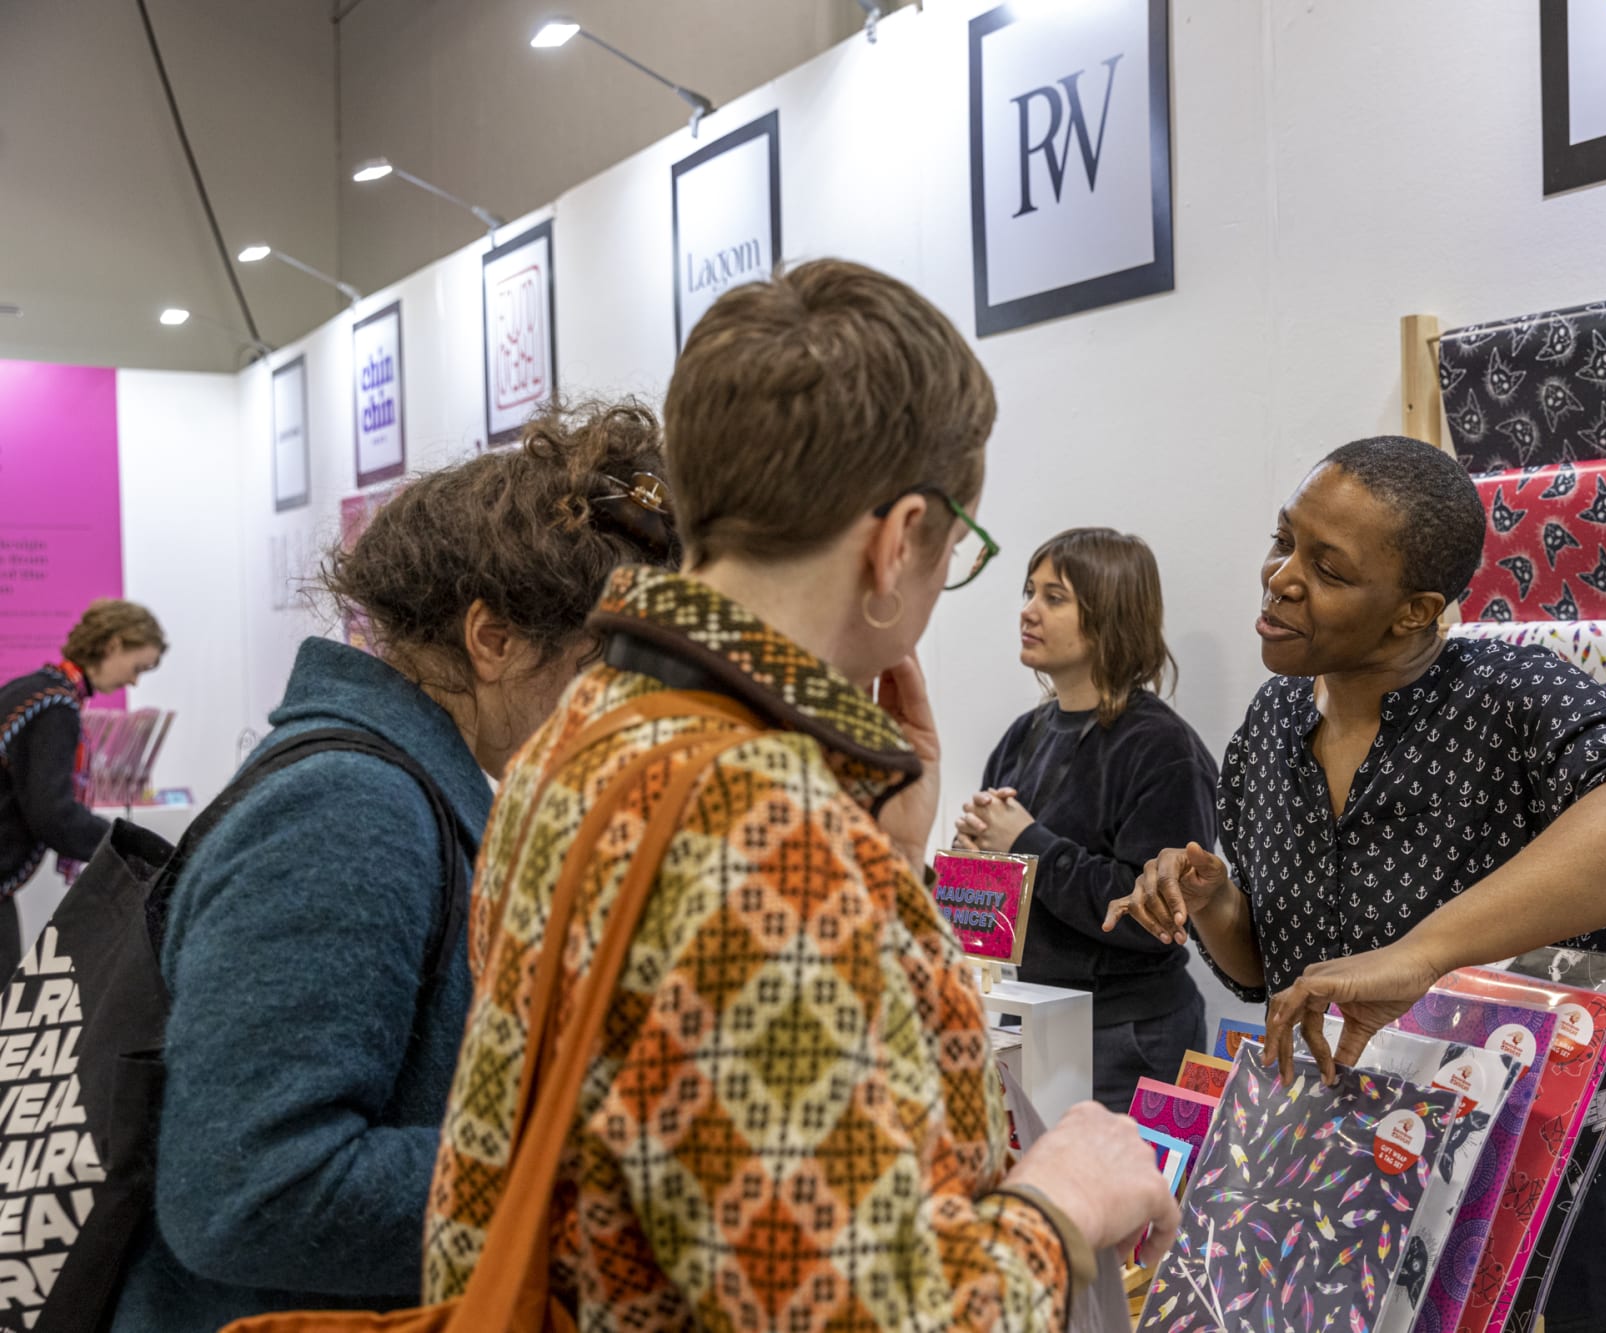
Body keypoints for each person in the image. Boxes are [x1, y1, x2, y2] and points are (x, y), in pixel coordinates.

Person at [424, 260, 1177, 1331]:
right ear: (894, 539)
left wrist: (882, 862)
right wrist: (1060, 1201)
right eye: (952, 549)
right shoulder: (761, 826)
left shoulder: (586, 729)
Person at [1107, 436, 1606, 1333]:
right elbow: (1265, 971)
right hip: (1348, 1174)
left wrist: (1421, 954)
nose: (1281, 577)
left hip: (1532, 1181)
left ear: (1413, 612)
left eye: (1328, 567)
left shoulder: (1509, 694)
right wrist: (1213, 898)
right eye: (1285, 541)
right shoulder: (1274, 720)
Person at [109, 399, 683, 1332]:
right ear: (493, 639)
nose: (622, 701)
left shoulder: (394, 784)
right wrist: (594, 1171)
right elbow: (250, 1187)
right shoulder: (352, 808)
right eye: (606, 660)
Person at [953, 529, 1216, 1113]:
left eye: (1054, 597)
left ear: (1109, 615)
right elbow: (999, 910)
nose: (1028, 610)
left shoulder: (1163, 748)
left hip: (1128, 1036)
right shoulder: (1024, 734)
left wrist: (1025, 842)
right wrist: (971, 857)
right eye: (1029, 592)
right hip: (1030, 1022)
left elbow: (1152, 914)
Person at [0, 598, 167, 973]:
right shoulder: (55, 707)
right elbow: (54, 814)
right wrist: (133, 848)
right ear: (113, 645)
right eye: (137, 666)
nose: (134, 680)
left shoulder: (32, 691)